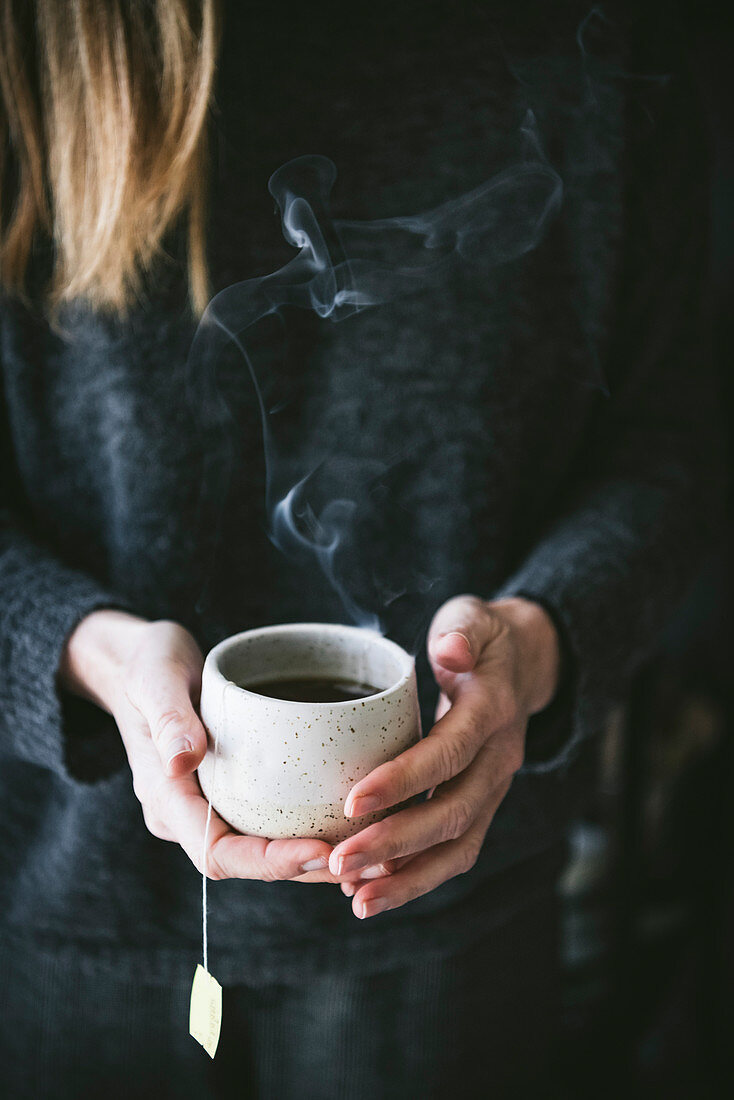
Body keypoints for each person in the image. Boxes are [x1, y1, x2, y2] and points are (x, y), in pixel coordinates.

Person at [0, 2, 719, 1097]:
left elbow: (677, 434)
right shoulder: (31, 43)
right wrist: (86, 654)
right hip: (63, 910)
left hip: (455, 918)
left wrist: (537, 641)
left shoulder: (618, 31)